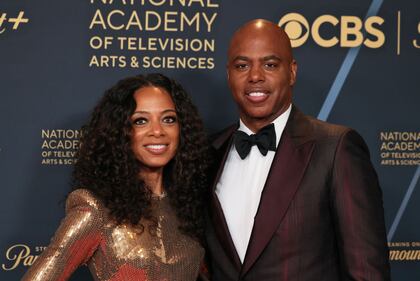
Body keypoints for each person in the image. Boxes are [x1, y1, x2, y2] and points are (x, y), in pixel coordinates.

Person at [205, 19, 391, 280]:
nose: (255, 76)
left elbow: (366, 272)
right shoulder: (209, 154)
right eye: (242, 65)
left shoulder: (335, 149)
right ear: (228, 74)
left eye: (270, 65)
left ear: (291, 72)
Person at [23, 73, 210, 281]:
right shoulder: (96, 210)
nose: (157, 131)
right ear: (121, 132)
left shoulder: (189, 207)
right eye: (141, 121)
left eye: (168, 119)